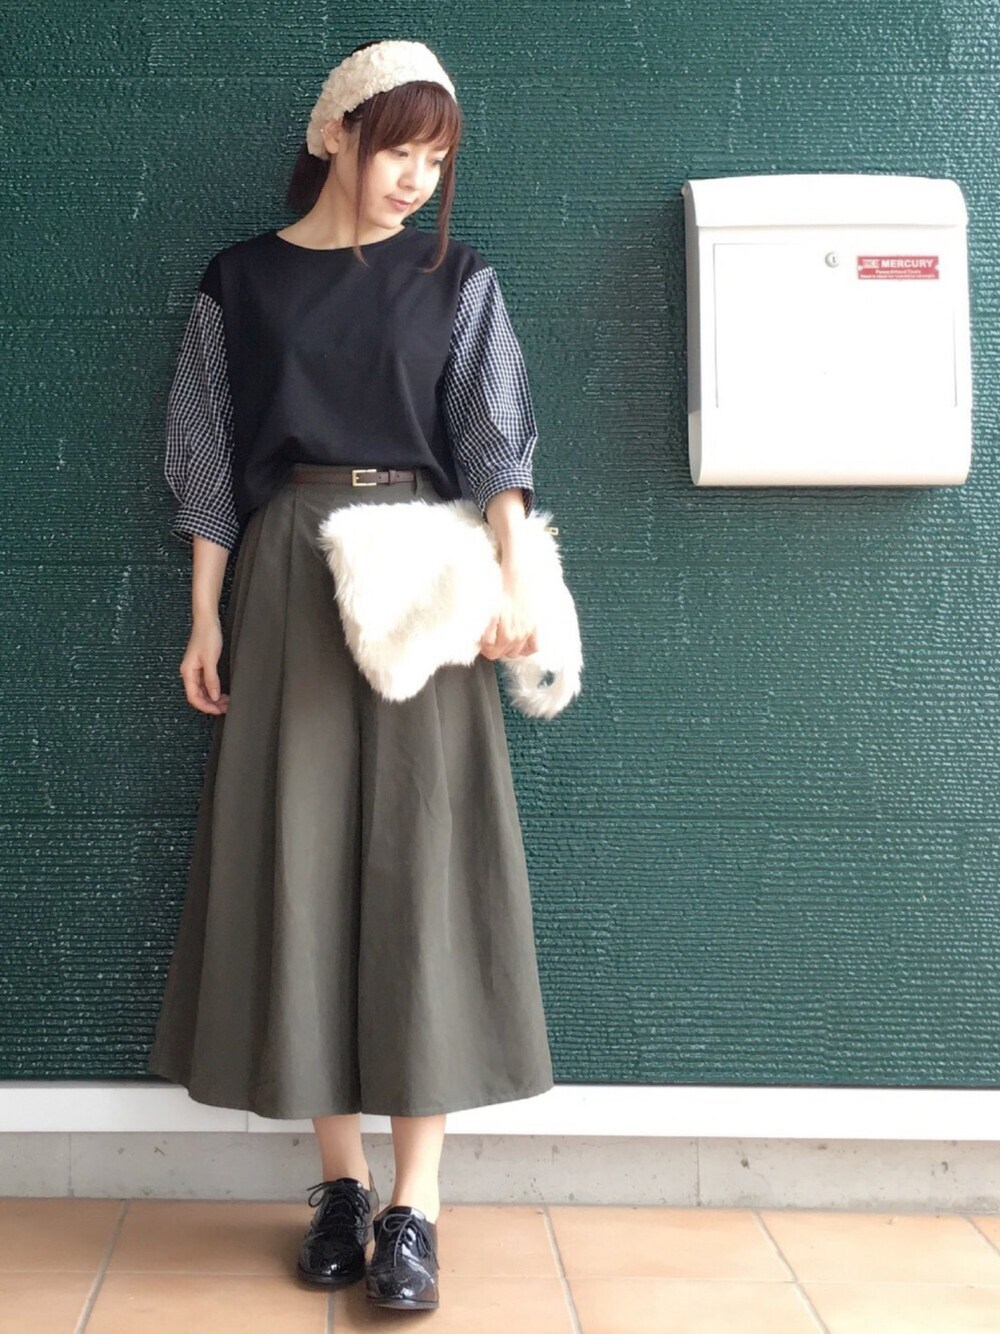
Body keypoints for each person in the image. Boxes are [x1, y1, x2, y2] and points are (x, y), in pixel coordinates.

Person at [146, 38, 555, 1312]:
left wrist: (515, 587)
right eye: (398, 150)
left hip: (424, 577)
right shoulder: (241, 281)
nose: (415, 179)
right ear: (335, 135)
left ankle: (413, 1204)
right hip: (285, 573)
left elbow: (496, 446)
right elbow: (206, 459)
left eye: (436, 160)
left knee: (423, 865)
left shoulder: (458, 280)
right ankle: (337, 1182)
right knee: (302, 859)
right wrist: (205, 618)